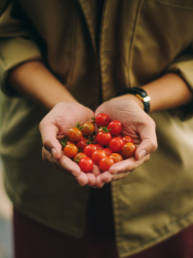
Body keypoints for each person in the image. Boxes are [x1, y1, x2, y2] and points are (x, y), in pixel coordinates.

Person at [0, 0, 193, 257]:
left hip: (167, 189)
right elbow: (6, 31)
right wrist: (61, 102)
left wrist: (140, 99)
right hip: (44, 189)